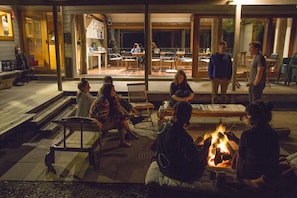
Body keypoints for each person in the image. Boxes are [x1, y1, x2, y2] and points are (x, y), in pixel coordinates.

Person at [155, 101, 212, 182]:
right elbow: (196, 159)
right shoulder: (183, 136)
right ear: (187, 117)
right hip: (177, 173)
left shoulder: (162, 127)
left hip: (163, 167)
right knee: (203, 157)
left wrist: (193, 145)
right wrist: (206, 147)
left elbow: (160, 147)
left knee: (197, 148)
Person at [225, 101, 280, 181]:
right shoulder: (274, 134)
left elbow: (242, 154)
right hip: (269, 173)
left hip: (252, 173)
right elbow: (257, 146)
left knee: (237, 155)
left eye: (247, 115)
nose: (246, 117)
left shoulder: (247, 134)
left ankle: (238, 177)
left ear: (253, 117)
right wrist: (235, 139)